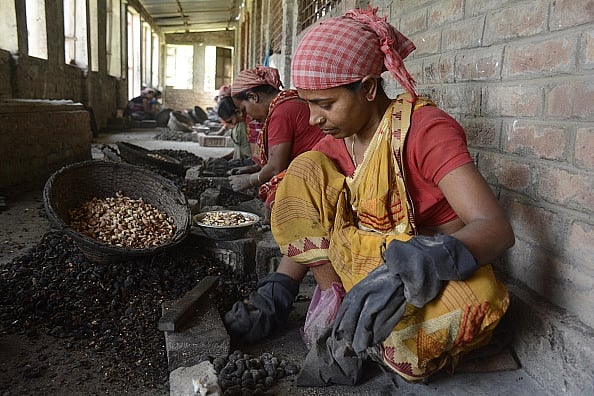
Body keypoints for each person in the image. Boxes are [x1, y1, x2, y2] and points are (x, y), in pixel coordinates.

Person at [224, 6, 515, 386]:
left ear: (368, 87)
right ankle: (341, 311)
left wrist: (417, 264)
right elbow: (306, 216)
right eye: (308, 103)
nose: (313, 119)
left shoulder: (425, 131)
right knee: (301, 171)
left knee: (474, 302)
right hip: (361, 268)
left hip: (423, 276)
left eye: (325, 104)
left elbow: (495, 229)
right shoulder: (336, 144)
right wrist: (279, 289)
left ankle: (371, 333)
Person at [226, 65, 325, 216]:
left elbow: (276, 167)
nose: (248, 117)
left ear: (253, 97)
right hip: (314, 164)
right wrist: (254, 169)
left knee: (274, 201)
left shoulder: (282, 111)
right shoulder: (288, 101)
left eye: (245, 110)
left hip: (319, 172)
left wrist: (249, 180)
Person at [216, 95, 253, 165]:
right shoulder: (238, 124)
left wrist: (231, 164)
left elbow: (253, 157)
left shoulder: (245, 126)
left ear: (238, 112)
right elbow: (239, 149)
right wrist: (223, 159)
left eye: (230, 121)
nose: (232, 125)